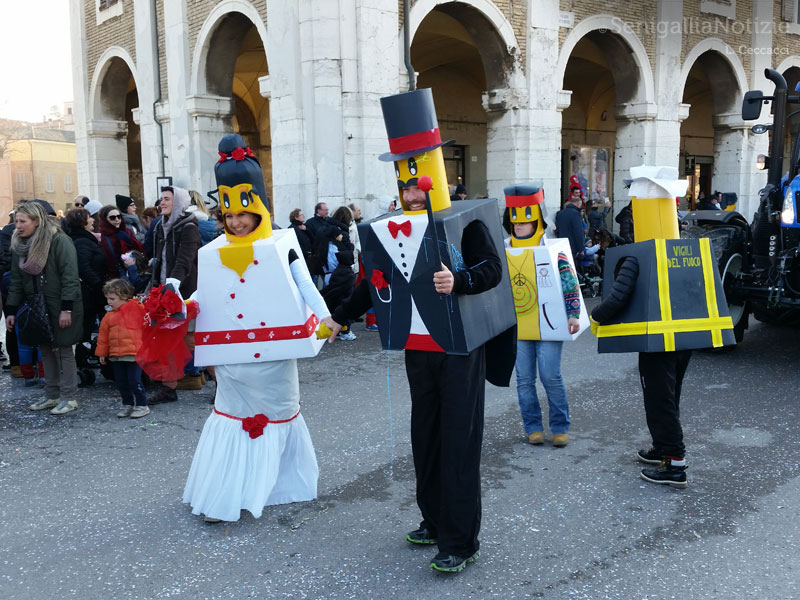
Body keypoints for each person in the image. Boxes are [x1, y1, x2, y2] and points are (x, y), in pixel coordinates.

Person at [322, 88, 515, 574]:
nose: (411, 193)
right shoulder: (393, 229)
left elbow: (492, 269)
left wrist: (460, 280)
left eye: (418, 183)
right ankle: (433, 519)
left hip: (459, 350)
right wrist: (340, 316)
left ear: (436, 176)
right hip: (417, 348)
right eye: (405, 185)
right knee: (425, 436)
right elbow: (373, 284)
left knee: (458, 441)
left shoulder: (464, 220)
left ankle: (460, 540)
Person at [182, 133, 331, 523]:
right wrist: (181, 307)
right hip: (233, 359)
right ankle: (226, 494)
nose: (235, 222)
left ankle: (277, 486)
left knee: (279, 414)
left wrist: (325, 316)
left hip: (275, 357)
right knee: (232, 420)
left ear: (259, 210)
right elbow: (204, 292)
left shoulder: (282, 245)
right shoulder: (215, 251)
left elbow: (305, 285)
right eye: (229, 215)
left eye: (242, 214)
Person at [590, 166, 736, 489]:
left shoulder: (639, 256)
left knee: (659, 401)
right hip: (684, 340)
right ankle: (662, 447)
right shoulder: (684, 248)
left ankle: (674, 462)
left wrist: (596, 317)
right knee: (670, 396)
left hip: (656, 342)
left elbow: (618, 297)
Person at [503, 183, 583, 447]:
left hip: (551, 322)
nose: (518, 225)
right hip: (518, 324)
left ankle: (560, 425)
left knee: (550, 376)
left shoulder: (553, 247)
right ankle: (533, 427)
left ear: (537, 219)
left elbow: (569, 279)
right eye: (515, 220)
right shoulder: (503, 249)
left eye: (525, 220)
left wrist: (573, 313)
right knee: (524, 379)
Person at [5, 201, 83, 415]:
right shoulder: (20, 244)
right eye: (16, 221)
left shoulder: (59, 241)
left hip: (60, 303)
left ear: (37, 221)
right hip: (37, 305)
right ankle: (52, 395)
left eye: (22, 221)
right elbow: (16, 280)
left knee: (64, 349)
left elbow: (70, 277)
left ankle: (69, 397)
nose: (17, 226)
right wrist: (11, 310)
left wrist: (66, 308)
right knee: (45, 349)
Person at [149, 185, 203, 399]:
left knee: (191, 341)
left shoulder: (188, 226)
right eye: (161, 198)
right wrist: (155, 287)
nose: (161, 202)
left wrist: (173, 284)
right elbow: (159, 260)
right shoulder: (161, 225)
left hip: (185, 292)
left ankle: (222, 384)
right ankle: (169, 388)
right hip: (165, 291)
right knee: (167, 341)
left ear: (178, 202)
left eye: (167, 199)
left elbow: (185, 259)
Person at [96, 278, 149, 418]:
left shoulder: (137, 308)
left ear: (124, 296)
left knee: (134, 380)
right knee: (121, 382)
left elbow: (147, 322)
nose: (109, 302)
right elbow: (103, 336)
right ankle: (128, 404)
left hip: (134, 353)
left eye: (112, 299)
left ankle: (142, 405)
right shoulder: (108, 316)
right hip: (116, 355)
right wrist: (102, 353)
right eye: (108, 298)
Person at [65, 208, 107, 351]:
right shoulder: (82, 241)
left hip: (91, 291)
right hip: (89, 293)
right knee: (86, 328)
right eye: (89, 217)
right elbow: (84, 267)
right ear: (82, 222)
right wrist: (99, 285)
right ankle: (84, 356)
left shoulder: (85, 238)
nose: (93, 220)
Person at [98, 204, 144, 281]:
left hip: (132, 271)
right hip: (113, 276)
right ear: (105, 220)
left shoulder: (127, 232)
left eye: (119, 216)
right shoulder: (102, 236)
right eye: (112, 218)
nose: (117, 220)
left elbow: (139, 249)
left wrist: (129, 241)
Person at [320, 250, 357, 340]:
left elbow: (333, 287)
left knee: (337, 317)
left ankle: (337, 331)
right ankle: (345, 333)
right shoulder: (348, 273)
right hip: (344, 300)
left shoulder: (339, 270)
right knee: (345, 318)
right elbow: (344, 287)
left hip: (336, 300)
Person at [555, 186, 586, 260]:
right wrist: (581, 248)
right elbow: (578, 232)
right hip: (573, 246)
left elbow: (556, 230)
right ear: (578, 204)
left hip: (561, 245)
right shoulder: (576, 214)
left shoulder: (560, 213)